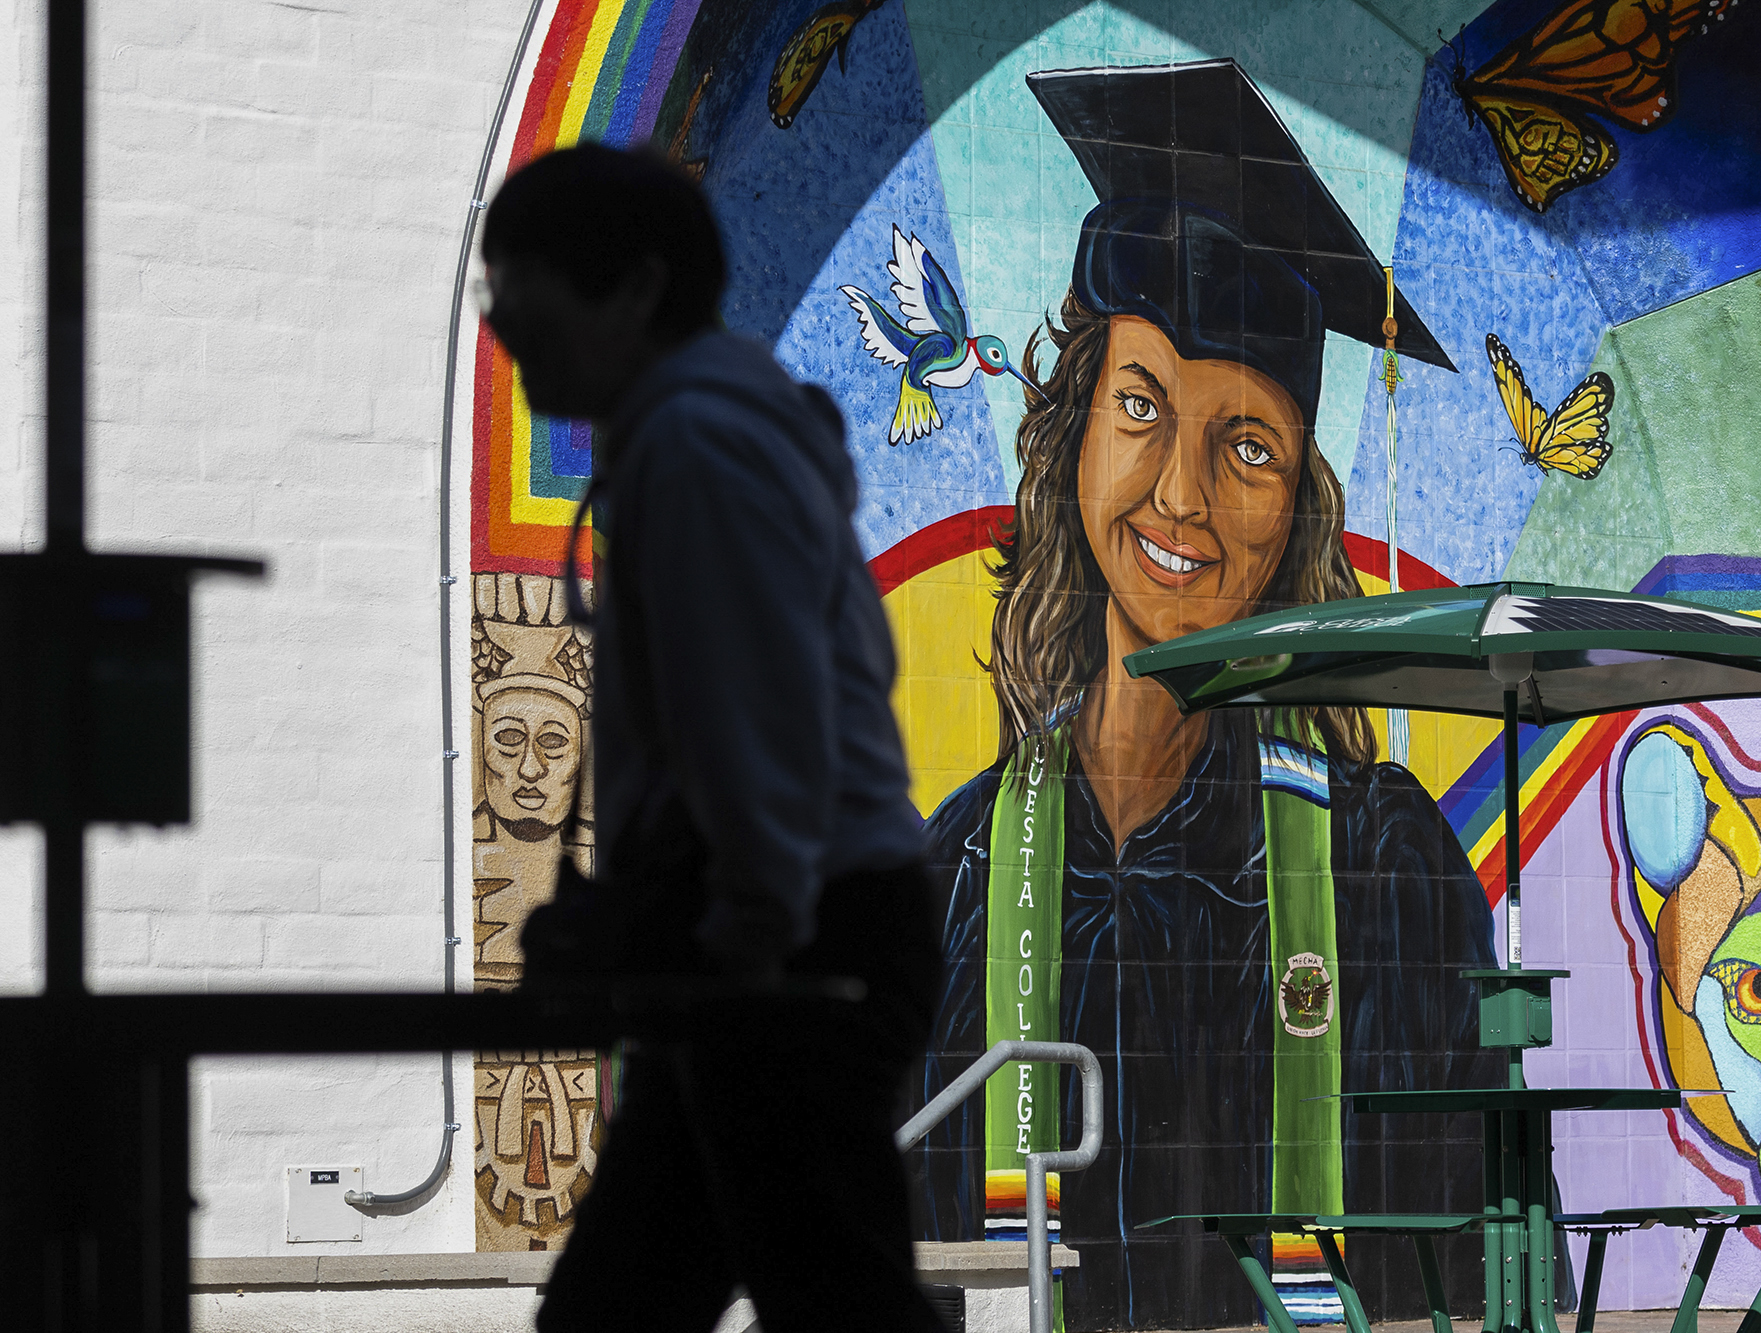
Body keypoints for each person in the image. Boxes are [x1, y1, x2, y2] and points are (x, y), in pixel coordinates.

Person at [911, 61, 1504, 1328]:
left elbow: (1473, 1254)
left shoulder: (1380, 867)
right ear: (1072, 435)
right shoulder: (952, 877)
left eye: (1246, 446)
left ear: (1295, 504)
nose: (1180, 494)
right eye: (1138, 407)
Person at [478, 142, 943, 1333]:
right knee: (679, 1304)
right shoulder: (710, 435)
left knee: (803, 1302)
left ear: (631, 289)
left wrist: (745, 935)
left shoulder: (690, 450)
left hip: (785, 939)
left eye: (522, 296)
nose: (505, 330)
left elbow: (753, 720)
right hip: (796, 926)